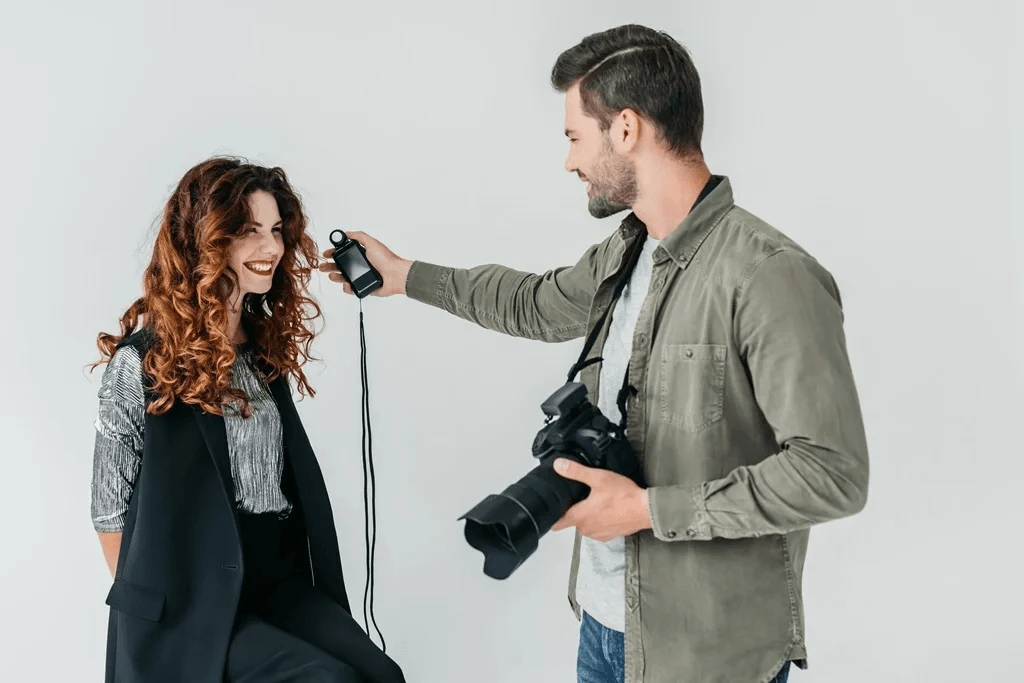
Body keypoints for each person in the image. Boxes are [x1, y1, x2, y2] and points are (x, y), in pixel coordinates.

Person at [319, 23, 869, 683]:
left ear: (627, 129)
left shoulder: (769, 275)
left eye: (575, 136)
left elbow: (832, 472)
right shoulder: (628, 247)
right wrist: (405, 275)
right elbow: (536, 301)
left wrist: (644, 510)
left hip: (708, 658)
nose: (570, 161)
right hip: (605, 630)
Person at [89, 157, 406, 683]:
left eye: (277, 231)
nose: (272, 249)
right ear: (207, 241)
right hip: (188, 596)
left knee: (381, 675)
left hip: (277, 578)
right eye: (250, 231)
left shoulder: (261, 353)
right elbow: (108, 510)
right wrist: (154, 616)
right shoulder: (142, 362)